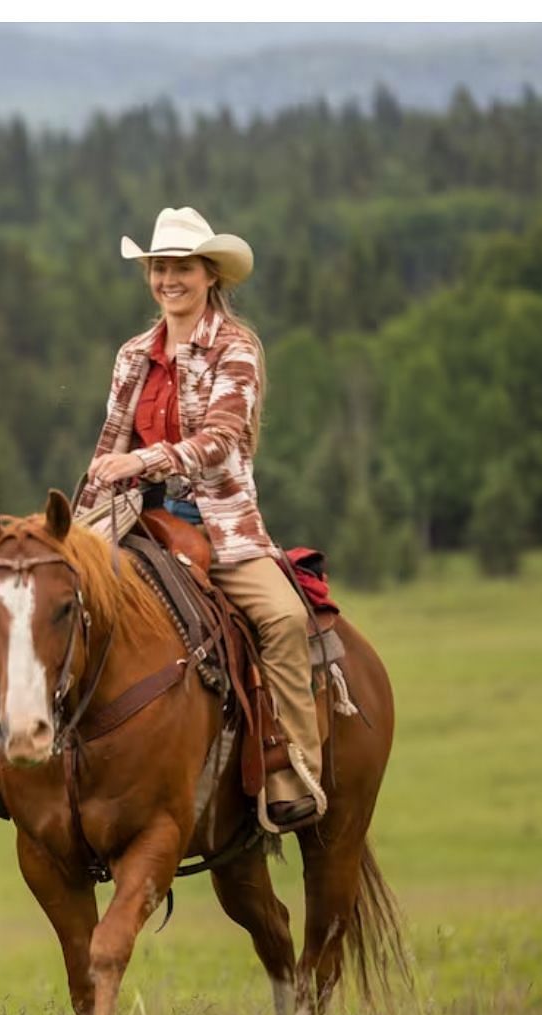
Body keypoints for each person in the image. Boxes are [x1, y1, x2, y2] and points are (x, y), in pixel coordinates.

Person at [77, 206, 326, 833]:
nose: (169, 279)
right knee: (39, 588)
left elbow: (220, 439)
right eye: (160, 268)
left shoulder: (235, 348)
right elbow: (110, 442)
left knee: (285, 619)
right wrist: (82, 514)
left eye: (182, 267)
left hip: (218, 521)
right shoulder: (133, 354)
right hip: (133, 512)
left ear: (209, 274)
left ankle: (295, 766)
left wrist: (145, 457)